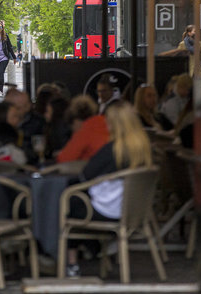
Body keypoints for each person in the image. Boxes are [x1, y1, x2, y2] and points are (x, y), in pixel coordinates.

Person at [64, 101, 152, 276]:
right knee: (76, 199)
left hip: (108, 212)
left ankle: (72, 263)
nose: (106, 124)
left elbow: (86, 176)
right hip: (134, 211)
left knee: (68, 202)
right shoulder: (143, 148)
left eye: (109, 121)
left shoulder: (111, 150)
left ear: (115, 124)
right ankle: (94, 249)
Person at [57, 95, 109, 163]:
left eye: (72, 126)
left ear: (76, 121)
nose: (74, 131)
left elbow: (64, 158)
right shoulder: (105, 123)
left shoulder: (85, 132)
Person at [5, 89, 45, 164]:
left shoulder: (37, 122)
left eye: (27, 105)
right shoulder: (0, 119)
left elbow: (41, 147)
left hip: (29, 163)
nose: (27, 107)